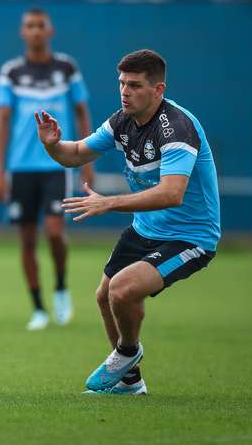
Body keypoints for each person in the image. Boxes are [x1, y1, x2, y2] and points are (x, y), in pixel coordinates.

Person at [35, 49, 221, 395]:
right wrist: (53, 144)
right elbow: (75, 154)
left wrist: (109, 203)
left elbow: (171, 194)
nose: (125, 91)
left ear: (158, 90)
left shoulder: (176, 128)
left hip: (189, 237)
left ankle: (127, 352)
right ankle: (130, 382)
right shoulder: (122, 121)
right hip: (146, 229)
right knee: (105, 295)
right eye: (122, 83)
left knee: (122, 290)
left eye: (134, 85)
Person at [0, 7, 94, 331]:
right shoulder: (11, 72)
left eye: (40, 25)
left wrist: (86, 162)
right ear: (23, 32)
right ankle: (38, 307)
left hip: (57, 164)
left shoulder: (66, 68)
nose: (35, 31)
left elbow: (82, 112)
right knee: (26, 238)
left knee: (53, 230)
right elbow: (2, 121)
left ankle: (61, 287)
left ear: (49, 31)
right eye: (29, 26)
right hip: (21, 167)